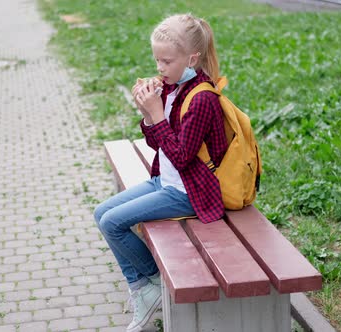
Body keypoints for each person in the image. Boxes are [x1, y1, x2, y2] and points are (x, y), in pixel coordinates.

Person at [93, 13, 228, 332]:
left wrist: (156, 114)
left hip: (190, 193)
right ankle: (147, 286)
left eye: (167, 61)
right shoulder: (173, 87)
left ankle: (150, 283)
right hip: (165, 180)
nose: (160, 68)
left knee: (113, 223)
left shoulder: (203, 98)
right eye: (157, 60)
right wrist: (148, 113)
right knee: (102, 212)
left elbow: (182, 157)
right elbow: (158, 144)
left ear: (191, 58)